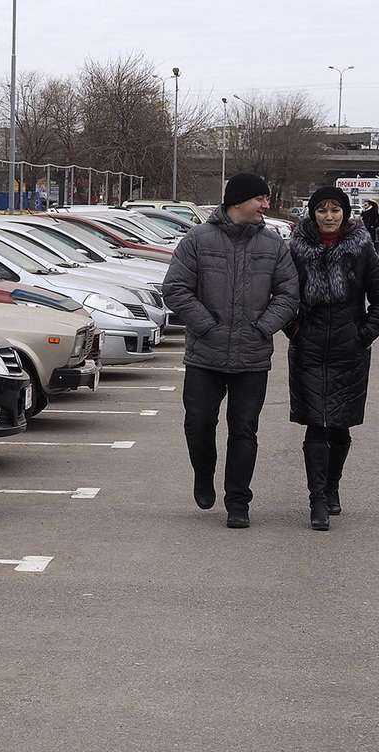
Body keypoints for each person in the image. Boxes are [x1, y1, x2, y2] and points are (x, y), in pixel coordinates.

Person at [162, 173, 300, 529]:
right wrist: (206, 325)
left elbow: (288, 294)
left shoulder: (272, 245)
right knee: (199, 424)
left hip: (252, 357)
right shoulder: (197, 239)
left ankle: (238, 501)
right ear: (239, 201)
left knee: (244, 430)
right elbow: (176, 288)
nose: (266, 205)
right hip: (205, 356)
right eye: (261, 199)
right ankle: (203, 473)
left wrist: (263, 327)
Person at [286, 187, 379, 531]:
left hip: (350, 351)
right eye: (322, 210)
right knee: (317, 425)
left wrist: (363, 334)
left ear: (345, 214)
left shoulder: (361, 248)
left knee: (340, 426)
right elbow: (283, 295)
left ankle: (332, 487)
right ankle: (316, 500)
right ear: (312, 213)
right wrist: (295, 330)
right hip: (309, 349)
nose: (329, 216)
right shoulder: (296, 249)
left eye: (335, 210)